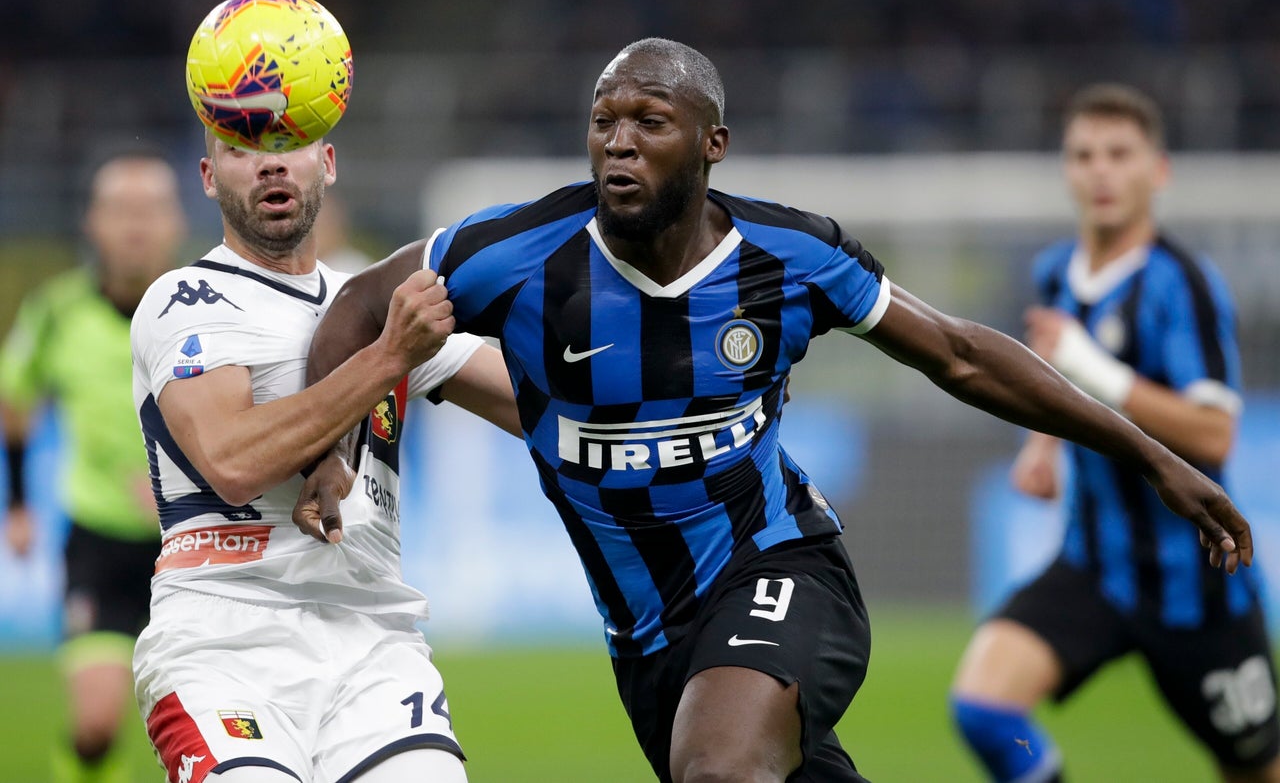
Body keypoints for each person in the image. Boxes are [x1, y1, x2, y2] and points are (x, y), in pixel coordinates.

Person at [303, 40, 1252, 783]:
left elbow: (960, 355)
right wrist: (327, 451)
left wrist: (1150, 455)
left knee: (718, 766)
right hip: (647, 638)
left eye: (650, 120)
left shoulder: (790, 256)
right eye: (604, 122)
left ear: (712, 145)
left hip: (781, 566)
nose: (620, 140)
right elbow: (352, 308)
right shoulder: (510, 255)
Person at [128, 129, 518, 783]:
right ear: (207, 175)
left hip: (372, 639)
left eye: (290, 141)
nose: (270, 161)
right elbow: (233, 461)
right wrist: (389, 356)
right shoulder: (185, 299)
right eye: (240, 148)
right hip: (223, 636)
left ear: (327, 162)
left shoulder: (374, 306)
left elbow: (542, 405)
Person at [949, 84, 1280, 782]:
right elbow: (1054, 387)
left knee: (1254, 768)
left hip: (1198, 583)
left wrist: (1092, 366)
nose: (1101, 171)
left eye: (1119, 154)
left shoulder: (1181, 285)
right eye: (1084, 155)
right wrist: (1041, 447)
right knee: (983, 707)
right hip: (1093, 567)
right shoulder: (1050, 274)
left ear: (1157, 171)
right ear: (1067, 171)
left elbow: (1215, 434)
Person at [0, 150, 186, 783]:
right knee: (95, 725)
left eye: (150, 210)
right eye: (120, 210)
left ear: (176, 221)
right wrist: (18, 501)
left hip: (194, 542)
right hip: (99, 541)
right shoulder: (56, 312)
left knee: (215, 720)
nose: (136, 225)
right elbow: (15, 398)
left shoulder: (209, 309)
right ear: (92, 223)